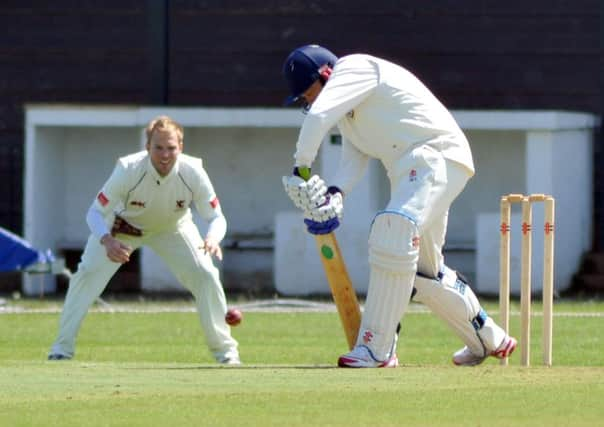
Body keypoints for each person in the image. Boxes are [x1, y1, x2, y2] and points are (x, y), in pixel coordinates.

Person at [281, 44, 516, 368]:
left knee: (394, 231)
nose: (309, 103)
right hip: (415, 170)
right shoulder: (350, 114)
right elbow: (354, 157)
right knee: (423, 271)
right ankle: (488, 339)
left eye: (308, 94)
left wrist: (301, 169)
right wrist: (336, 194)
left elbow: (319, 117)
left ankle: (376, 347)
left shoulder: (354, 68)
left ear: (326, 75)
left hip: (435, 155)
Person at [48, 116, 240, 365]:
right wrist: (107, 241)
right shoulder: (128, 169)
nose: (164, 155)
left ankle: (226, 353)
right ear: (147, 146)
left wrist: (213, 237)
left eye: (171, 148)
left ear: (180, 147)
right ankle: (61, 349)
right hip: (122, 229)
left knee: (206, 274)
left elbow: (216, 217)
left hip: (174, 228)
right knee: (86, 275)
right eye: (158, 147)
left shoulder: (193, 171)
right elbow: (94, 213)